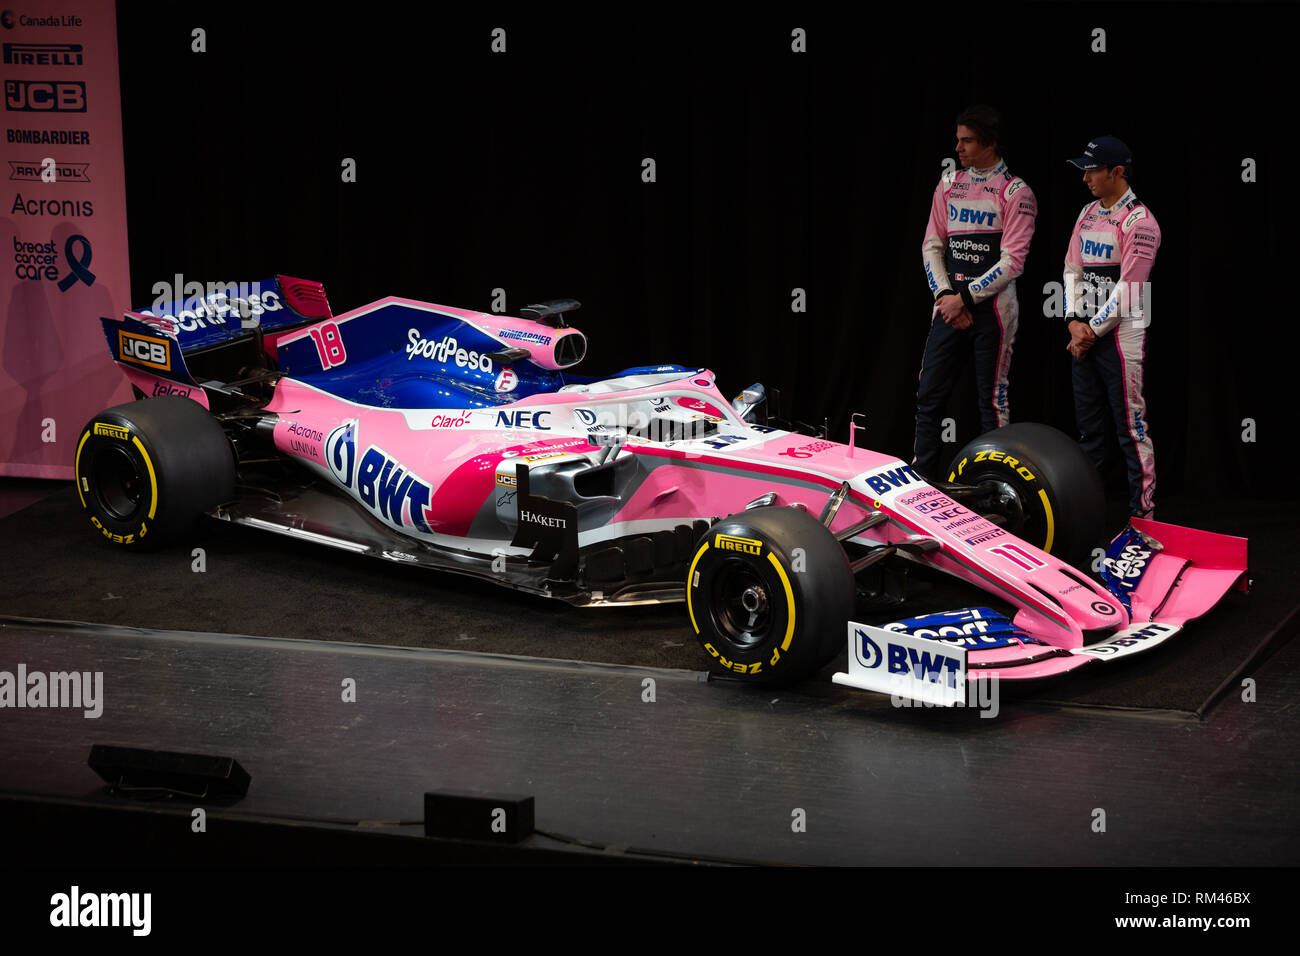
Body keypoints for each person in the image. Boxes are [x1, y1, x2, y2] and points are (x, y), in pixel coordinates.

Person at [913, 105, 1037, 481]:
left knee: (992, 403)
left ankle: (996, 486)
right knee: (928, 397)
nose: (959, 147)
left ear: (990, 142)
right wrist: (947, 296)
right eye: (958, 140)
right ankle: (919, 484)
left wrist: (965, 299)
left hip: (994, 311)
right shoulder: (949, 184)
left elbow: (1013, 261)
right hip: (949, 306)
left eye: (967, 140)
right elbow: (932, 247)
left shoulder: (1017, 192)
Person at [1062, 136, 1161, 518]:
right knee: (1090, 434)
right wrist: (1073, 320)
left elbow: (1130, 288)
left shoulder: (1140, 220)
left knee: (1131, 430)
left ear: (1116, 172)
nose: (1085, 177)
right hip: (1083, 335)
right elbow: (1072, 269)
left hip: (1122, 335)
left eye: (1092, 170)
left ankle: (1144, 519)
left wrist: (1090, 331)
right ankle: (1088, 517)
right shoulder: (1086, 213)